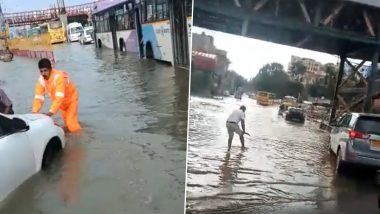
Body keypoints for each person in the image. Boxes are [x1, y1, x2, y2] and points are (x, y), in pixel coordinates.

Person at [32, 58, 81, 132]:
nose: (43, 73)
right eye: (41, 71)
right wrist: (34, 112)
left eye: (45, 71)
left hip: (71, 100)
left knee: (71, 124)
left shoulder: (59, 77)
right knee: (67, 124)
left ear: (50, 69)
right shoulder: (41, 80)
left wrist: (50, 113)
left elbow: (59, 97)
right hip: (61, 104)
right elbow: (38, 98)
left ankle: (81, 139)